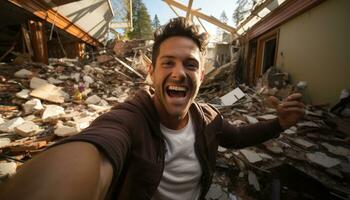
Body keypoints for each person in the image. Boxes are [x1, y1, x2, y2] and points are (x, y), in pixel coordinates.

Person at [0, 17, 305, 200]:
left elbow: (237, 137)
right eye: (167, 63)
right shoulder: (131, 119)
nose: (178, 73)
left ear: (201, 75)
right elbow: (101, 144)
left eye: (190, 65)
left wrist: (278, 123)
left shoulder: (208, 118)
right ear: (152, 72)